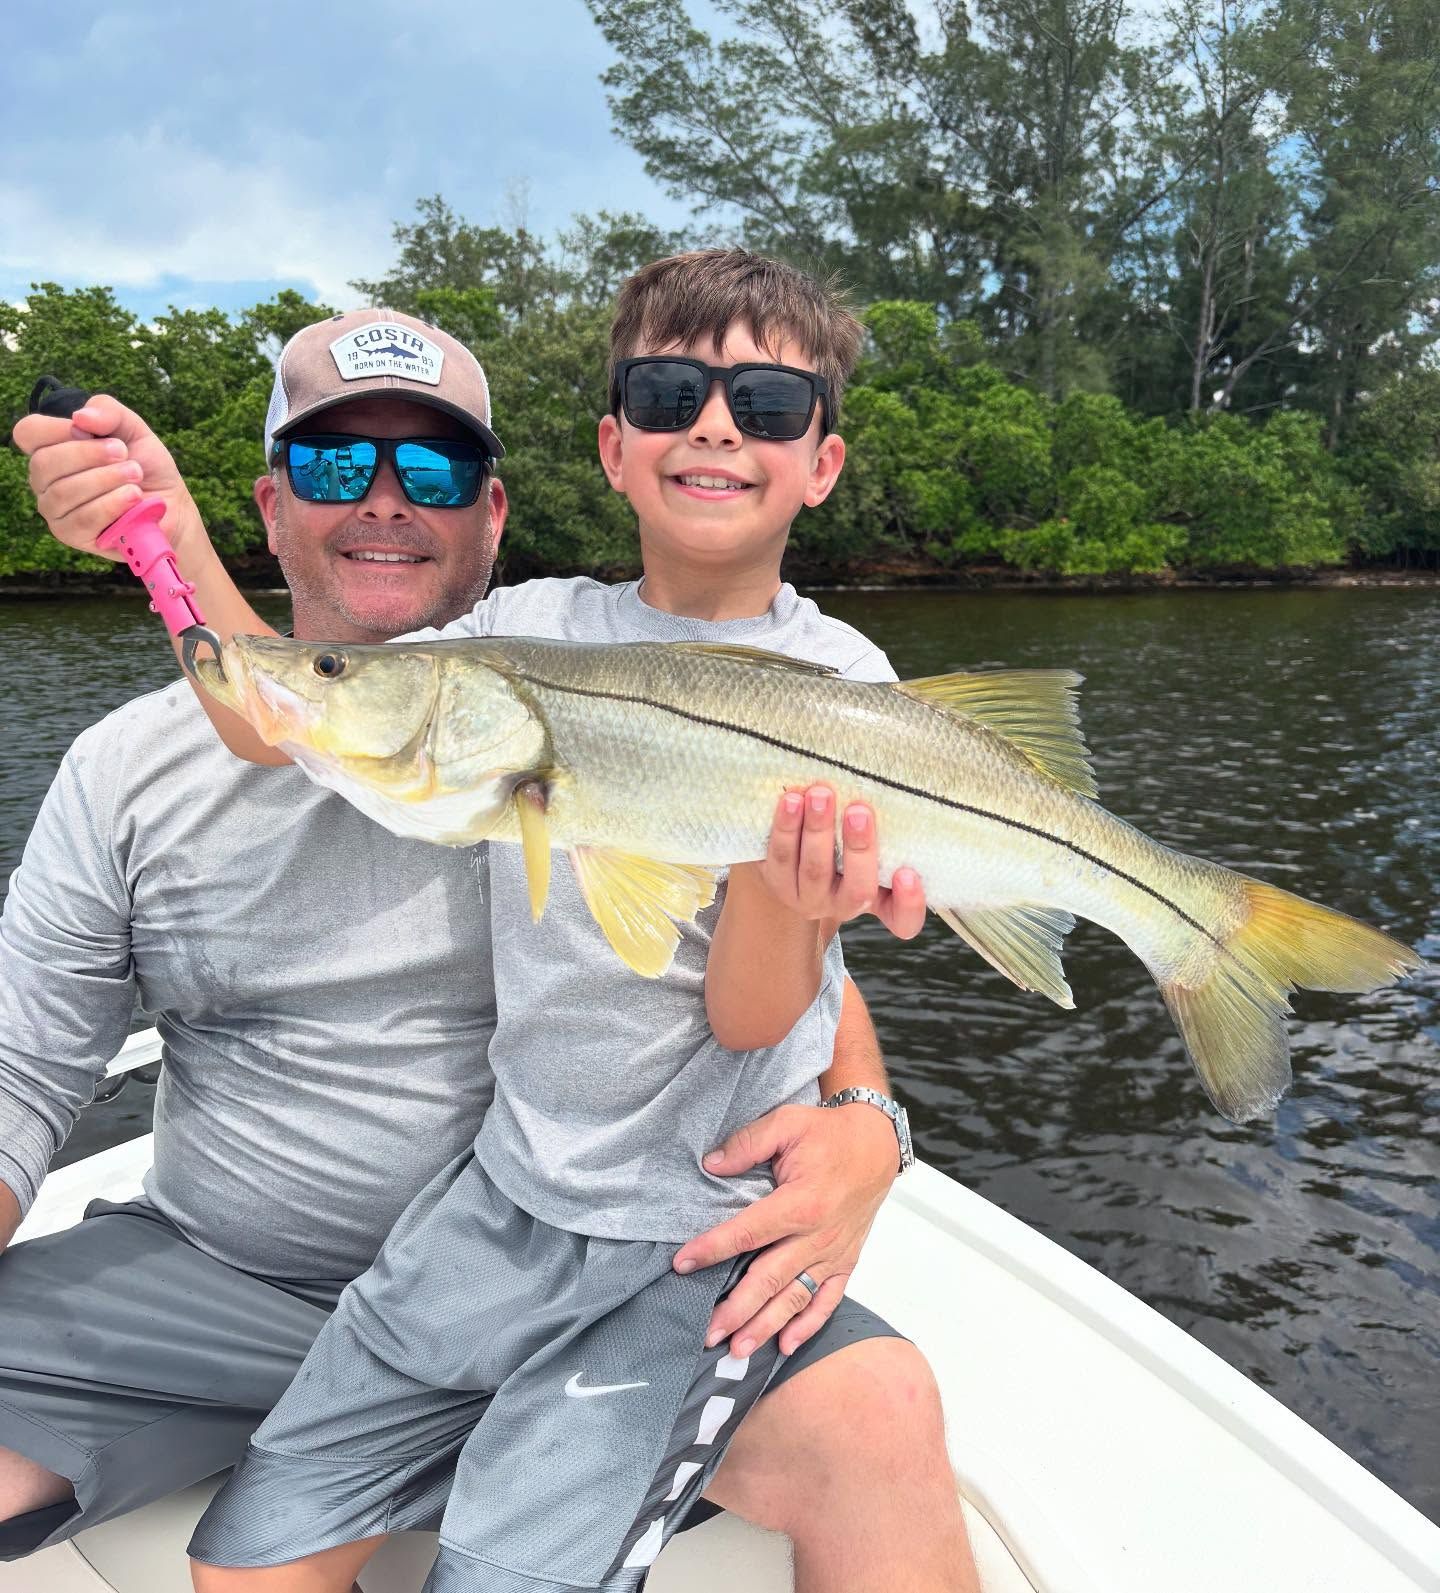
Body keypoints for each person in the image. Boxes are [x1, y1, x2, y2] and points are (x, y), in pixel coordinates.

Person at [8, 294, 975, 1591]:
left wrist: (869, 1123)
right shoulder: (144, 762)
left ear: (497, 511)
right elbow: (23, 1067)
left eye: (436, 470)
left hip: (612, 1261)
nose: (385, 501)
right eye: (335, 464)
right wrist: (160, 537)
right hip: (287, 1286)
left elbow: (769, 982)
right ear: (271, 503)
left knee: (881, 1417)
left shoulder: (547, 676)